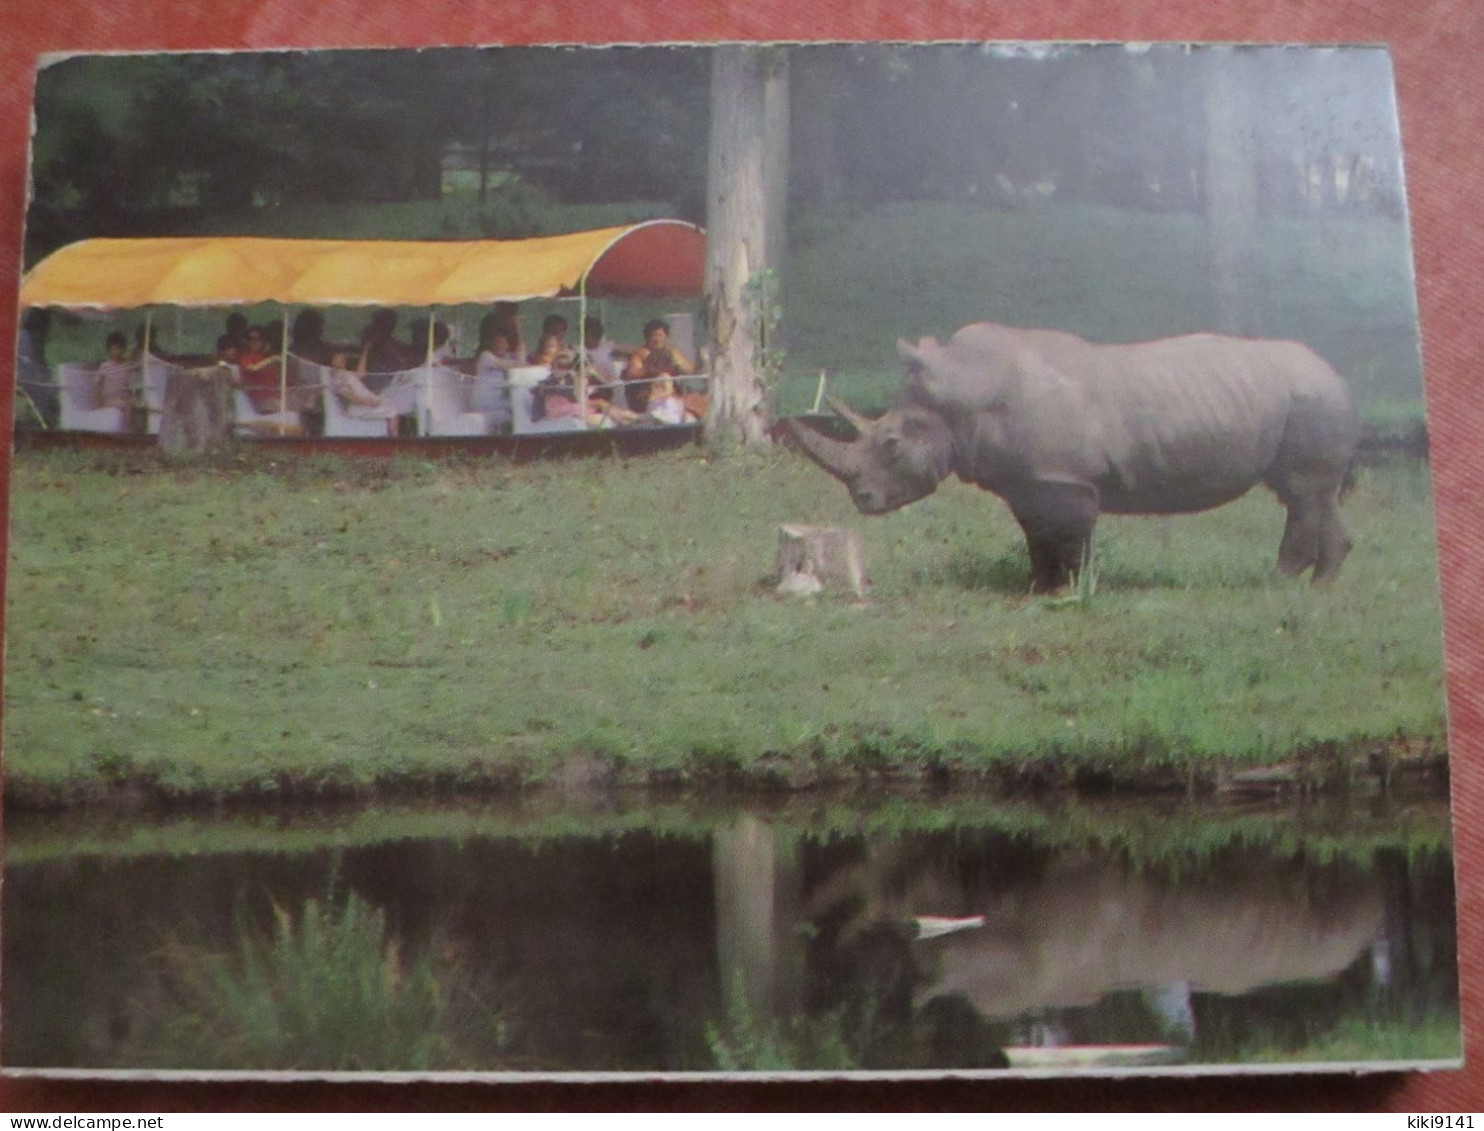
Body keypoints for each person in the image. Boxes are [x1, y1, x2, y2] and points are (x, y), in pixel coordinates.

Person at [623, 318, 695, 412]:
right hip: (648, 396)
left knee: (695, 398)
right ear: (647, 337)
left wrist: (676, 365)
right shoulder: (640, 354)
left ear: (666, 336)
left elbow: (689, 369)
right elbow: (631, 375)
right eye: (654, 335)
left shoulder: (671, 351)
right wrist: (651, 368)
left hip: (672, 392)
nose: (657, 339)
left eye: (660, 335)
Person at [93, 331, 135, 412]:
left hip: (125, 398)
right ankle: (126, 424)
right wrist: (97, 403)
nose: (117, 352)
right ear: (109, 350)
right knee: (123, 405)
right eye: (114, 349)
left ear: (124, 348)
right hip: (109, 401)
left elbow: (132, 384)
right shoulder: (104, 366)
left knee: (131, 405)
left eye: (120, 348)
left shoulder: (128, 365)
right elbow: (96, 386)